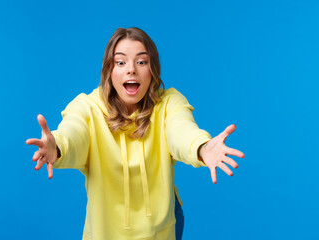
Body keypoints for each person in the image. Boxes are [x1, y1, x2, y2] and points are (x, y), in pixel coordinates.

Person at [26, 27, 245, 240]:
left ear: (153, 70)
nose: (131, 69)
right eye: (120, 62)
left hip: (162, 226)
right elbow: (74, 133)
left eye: (141, 62)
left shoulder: (168, 103)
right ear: (109, 70)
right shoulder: (87, 107)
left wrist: (202, 148)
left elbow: (182, 131)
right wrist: (58, 146)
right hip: (107, 230)